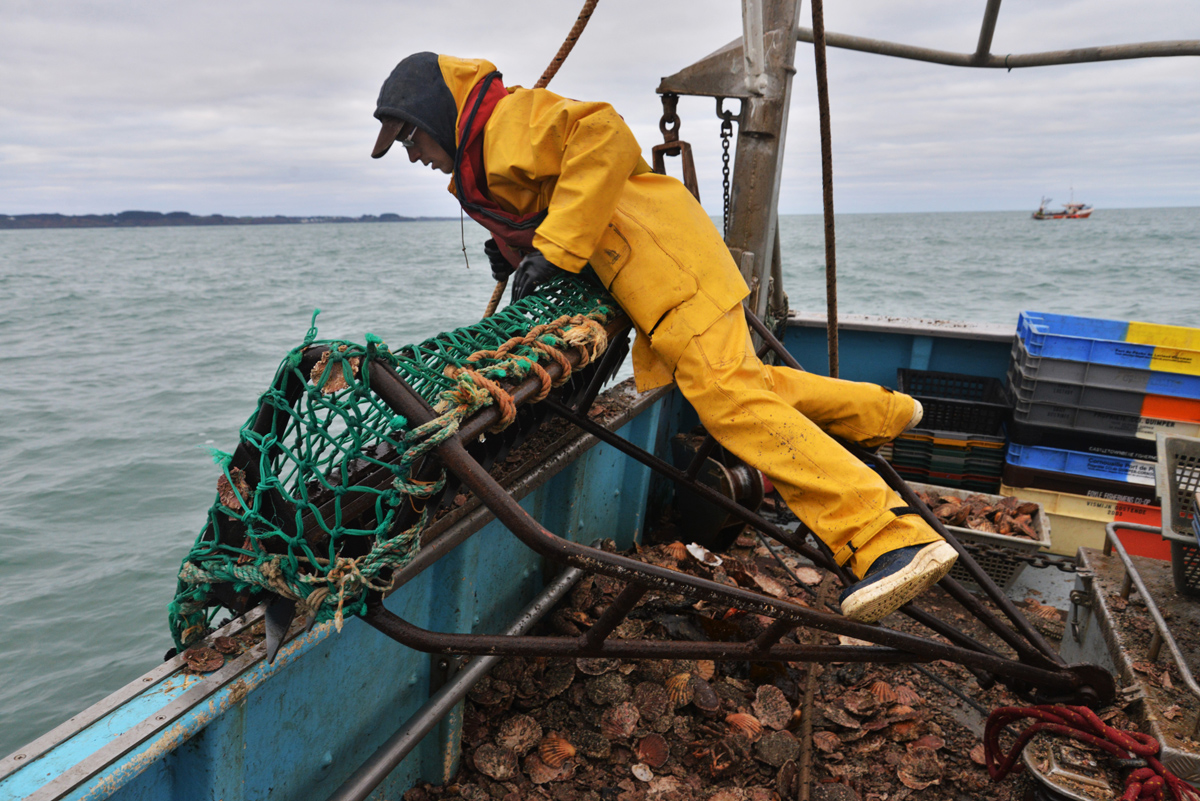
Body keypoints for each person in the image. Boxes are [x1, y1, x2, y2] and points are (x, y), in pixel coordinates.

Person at [370, 52, 957, 623]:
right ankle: (881, 412)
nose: (412, 154)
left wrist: (555, 251)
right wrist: (514, 257)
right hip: (654, 281)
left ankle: (888, 536)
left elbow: (600, 135)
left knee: (728, 398)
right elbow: (545, 200)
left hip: (669, 269)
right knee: (736, 383)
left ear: (434, 115)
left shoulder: (506, 123)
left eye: (411, 139)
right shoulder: (479, 163)